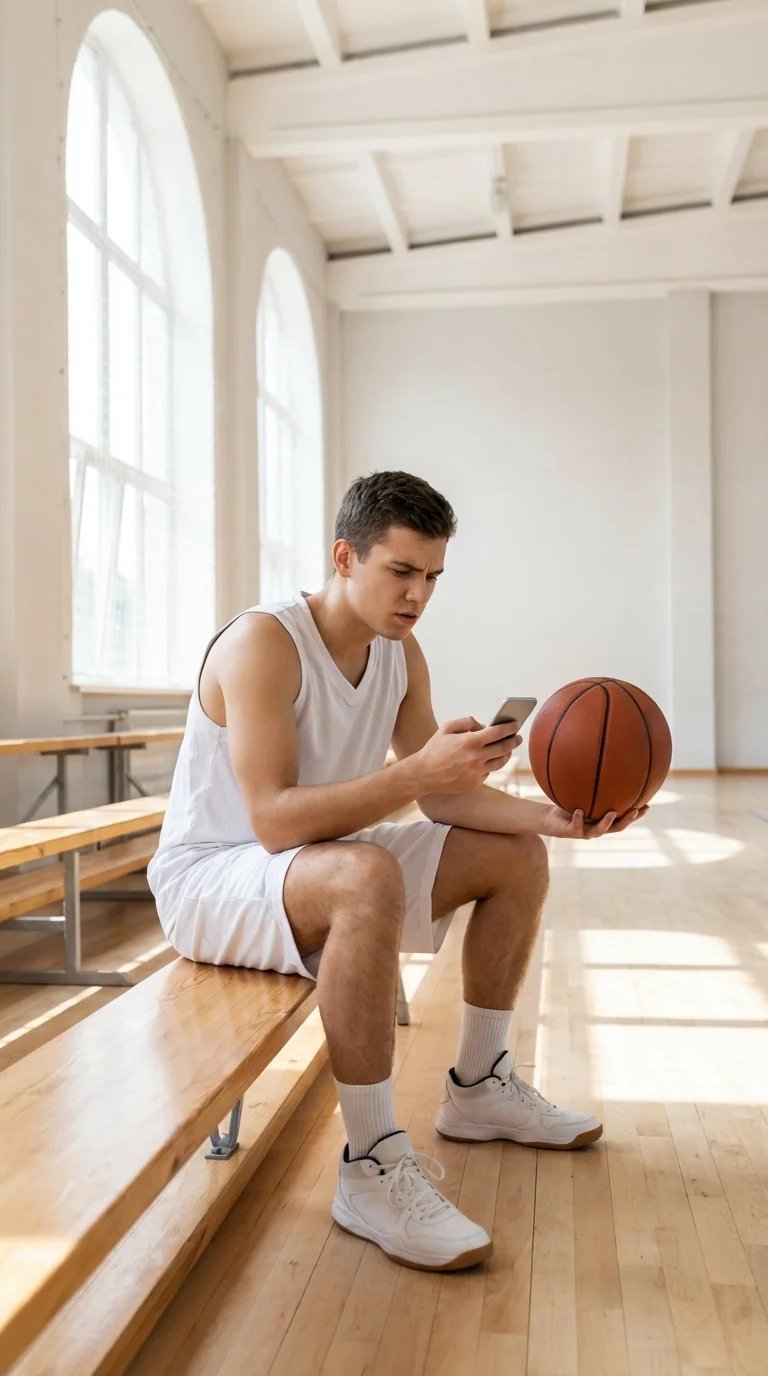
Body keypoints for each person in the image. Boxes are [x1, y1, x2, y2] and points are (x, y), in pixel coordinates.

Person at [148, 470, 647, 1273]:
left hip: (314, 861)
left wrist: (557, 820)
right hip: (211, 877)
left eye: (433, 577)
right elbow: (273, 821)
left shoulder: (399, 650)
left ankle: (480, 1087)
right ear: (345, 557)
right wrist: (419, 773)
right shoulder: (262, 645)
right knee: (367, 873)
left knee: (515, 855)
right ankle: (372, 1165)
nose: (419, 595)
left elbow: (443, 800)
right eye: (402, 571)